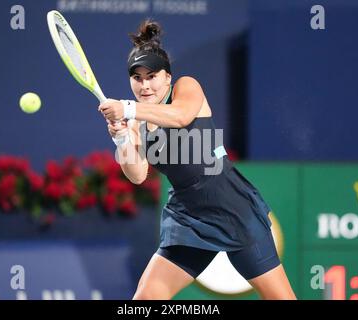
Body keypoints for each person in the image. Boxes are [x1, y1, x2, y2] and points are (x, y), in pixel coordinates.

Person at [99, 19, 296, 300]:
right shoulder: (135, 122)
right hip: (188, 218)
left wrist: (128, 109)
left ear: (167, 77)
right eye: (137, 78)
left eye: (152, 76)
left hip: (233, 211)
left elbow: (180, 117)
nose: (144, 85)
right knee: (145, 299)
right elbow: (138, 173)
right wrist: (121, 138)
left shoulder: (186, 87)